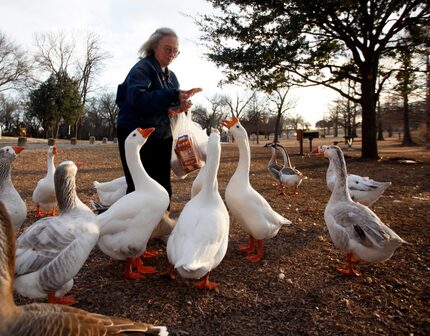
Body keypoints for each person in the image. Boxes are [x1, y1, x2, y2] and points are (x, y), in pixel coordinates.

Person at [115, 27, 201, 204]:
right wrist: (173, 95)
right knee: (140, 187)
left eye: (175, 51)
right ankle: (136, 228)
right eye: (167, 48)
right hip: (138, 135)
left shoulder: (172, 77)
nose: (172, 54)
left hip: (162, 135)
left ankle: (160, 225)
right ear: (154, 46)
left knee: (163, 187)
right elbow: (137, 100)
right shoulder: (142, 69)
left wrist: (179, 107)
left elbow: (164, 107)